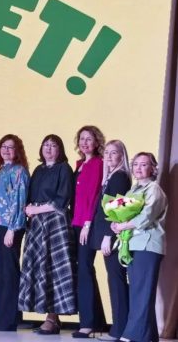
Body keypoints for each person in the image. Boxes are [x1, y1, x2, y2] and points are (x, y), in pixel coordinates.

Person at [19, 134, 76, 335]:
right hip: (37, 224)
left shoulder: (64, 169)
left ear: (60, 149)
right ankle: (50, 317)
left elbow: (62, 200)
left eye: (53, 145)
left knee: (54, 268)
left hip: (55, 222)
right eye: (46, 145)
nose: (49, 149)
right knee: (39, 268)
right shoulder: (38, 170)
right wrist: (29, 210)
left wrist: (36, 210)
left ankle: (52, 318)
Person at [111, 152, 167, 342]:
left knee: (142, 292)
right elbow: (123, 215)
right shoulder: (132, 191)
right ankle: (149, 337)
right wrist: (116, 223)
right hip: (133, 244)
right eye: (135, 164)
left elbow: (146, 216)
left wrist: (123, 225)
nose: (138, 168)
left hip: (148, 245)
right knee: (138, 291)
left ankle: (132, 335)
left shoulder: (154, 189)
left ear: (153, 168)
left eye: (144, 164)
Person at [0, 134, 30, 332]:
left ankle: (8, 320)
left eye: (11, 147)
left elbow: (19, 201)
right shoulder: (2, 170)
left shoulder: (19, 171)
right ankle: (1, 317)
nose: (6, 150)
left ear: (17, 151)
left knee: (9, 272)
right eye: (3, 146)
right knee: (2, 272)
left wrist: (12, 229)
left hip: (9, 227)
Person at [89, 140, 131, 342]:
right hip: (108, 235)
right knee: (114, 279)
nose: (108, 156)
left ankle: (119, 329)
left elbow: (117, 209)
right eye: (106, 152)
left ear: (122, 156)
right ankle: (119, 327)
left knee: (116, 280)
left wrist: (108, 236)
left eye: (114, 153)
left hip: (112, 237)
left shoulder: (120, 177)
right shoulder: (110, 177)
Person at [71, 126, 106, 338]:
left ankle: (87, 324)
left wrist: (87, 224)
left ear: (97, 142)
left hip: (87, 225)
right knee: (85, 270)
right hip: (75, 223)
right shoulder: (79, 165)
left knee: (84, 270)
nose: (84, 143)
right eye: (81, 139)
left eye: (89, 139)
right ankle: (98, 321)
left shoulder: (98, 164)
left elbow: (94, 196)